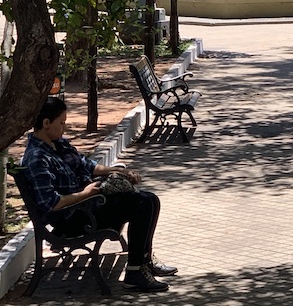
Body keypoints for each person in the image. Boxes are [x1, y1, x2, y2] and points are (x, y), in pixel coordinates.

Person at [21, 96, 177, 293]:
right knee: (142, 203)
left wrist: (119, 172)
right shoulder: (37, 158)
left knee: (150, 199)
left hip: (88, 205)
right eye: (61, 123)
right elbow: (51, 203)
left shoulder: (58, 144)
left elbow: (89, 166)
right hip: (74, 218)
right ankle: (135, 272)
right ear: (46, 123)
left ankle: (144, 261)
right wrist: (85, 194)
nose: (64, 128)